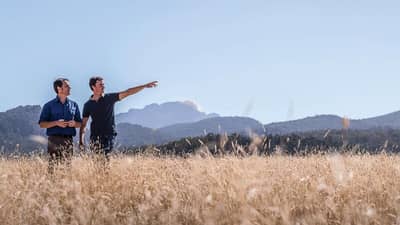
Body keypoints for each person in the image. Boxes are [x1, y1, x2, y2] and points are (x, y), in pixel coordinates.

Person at [79, 76, 157, 165]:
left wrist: (144, 86)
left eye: (103, 85)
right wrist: (81, 141)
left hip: (108, 135)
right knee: (96, 162)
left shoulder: (109, 98)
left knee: (105, 159)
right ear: (93, 87)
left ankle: (105, 176)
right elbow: (83, 124)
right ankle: (99, 177)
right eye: (100, 85)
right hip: (94, 137)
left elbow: (128, 92)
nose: (103, 87)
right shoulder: (88, 105)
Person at [38, 78, 82, 174]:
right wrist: (56, 123)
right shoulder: (48, 106)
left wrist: (74, 124)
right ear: (59, 88)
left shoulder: (74, 105)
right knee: (52, 169)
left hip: (69, 141)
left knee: (67, 169)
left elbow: (80, 123)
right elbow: (41, 124)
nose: (70, 88)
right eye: (67, 86)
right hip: (54, 140)